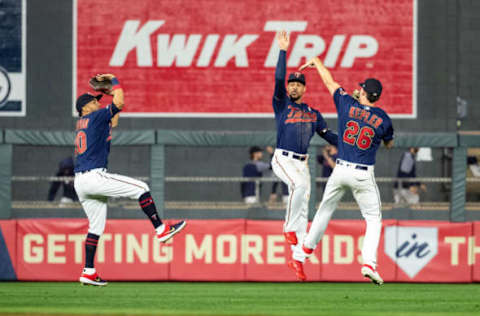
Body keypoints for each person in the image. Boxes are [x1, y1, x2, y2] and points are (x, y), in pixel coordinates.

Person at [74, 74, 186, 286]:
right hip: (93, 175)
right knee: (142, 188)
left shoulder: (85, 122)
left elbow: (114, 118)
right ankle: (161, 230)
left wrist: (108, 94)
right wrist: (115, 82)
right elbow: (119, 103)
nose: (99, 102)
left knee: (95, 227)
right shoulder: (95, 117)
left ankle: (88, 270)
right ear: (85, 107)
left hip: (81, 182)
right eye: (94, 101)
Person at [298, 57, 394, 285]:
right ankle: (369, 264)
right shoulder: (383, 118)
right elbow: (389, 144)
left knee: (324, 210)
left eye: (361, 88)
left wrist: (318, 63)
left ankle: (306, 249)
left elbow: (330, 83)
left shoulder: (347, 105)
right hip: (363, 174)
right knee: (373, 220)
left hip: (340, 169)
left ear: (363, 92)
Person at [270, 31, 338, 281]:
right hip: (282, 158)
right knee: (297, 189)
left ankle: (297, 260)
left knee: (303, 215)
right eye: (292, 84)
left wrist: (349, 143)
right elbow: (278, 77)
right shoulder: (281, 104)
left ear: (305, 88)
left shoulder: (313, 113)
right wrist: (282, 51)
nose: (294, 86)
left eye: (298, 84)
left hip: (301, 164)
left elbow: (329, 135)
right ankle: (288, 230)